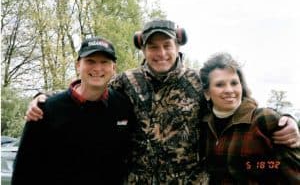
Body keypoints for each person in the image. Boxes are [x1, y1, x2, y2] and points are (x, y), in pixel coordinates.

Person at [24, 19, 300, 184]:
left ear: (177, 47)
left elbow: (237, 105)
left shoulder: (198, 81)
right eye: (153, 46)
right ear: (143, 49)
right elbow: (88, 89)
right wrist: (41, 99)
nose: (161, 53)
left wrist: (285, 119)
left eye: (167, 45)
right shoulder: (126, 81)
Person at [12, 37, 136, 185]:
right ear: (78, 65)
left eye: (104, 62)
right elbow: (24, 169)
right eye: (90, 61)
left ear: (114, 68)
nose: (97, 68)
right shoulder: (46, 109)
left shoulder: (123, 107)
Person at [199, 52, 300, 184]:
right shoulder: (203, 125)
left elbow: (295, 176)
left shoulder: (264, 120)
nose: (229, 90)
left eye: (234, 83)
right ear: (207, 92)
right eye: (220, 85)